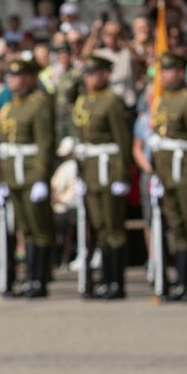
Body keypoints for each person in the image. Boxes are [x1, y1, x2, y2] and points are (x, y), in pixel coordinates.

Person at [71, 54, 133, 299]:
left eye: (93, 73)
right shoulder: (83, 101)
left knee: (112, 228)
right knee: (98, 227)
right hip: (90, 170)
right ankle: (103, 280)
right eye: (86, 74)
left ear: (105, 75)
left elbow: (122, 140)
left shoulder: (112, 102)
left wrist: (122, 175)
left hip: (108, 170)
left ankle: (116, 282)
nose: (88, 78)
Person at [150, 52, 187, 302]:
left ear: (181, 73)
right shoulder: (162, 101)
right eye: (162, 72)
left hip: (185, 173)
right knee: (177, 229)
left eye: (169, 71)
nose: (164, 76)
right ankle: (182, 282)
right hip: (168, 174)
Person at [0, 57, 55, 298]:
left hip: (31, 174)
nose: (13, 80)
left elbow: (45, 143)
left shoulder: (38, 104)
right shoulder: (10, 105)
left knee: (39, 228)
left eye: (18, 75)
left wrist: (41, 177)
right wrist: (2, 178)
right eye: (11, 75)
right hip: (14, 174)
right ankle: (29, 278)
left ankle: (39, 280)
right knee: (25, 229)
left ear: (31, 78)